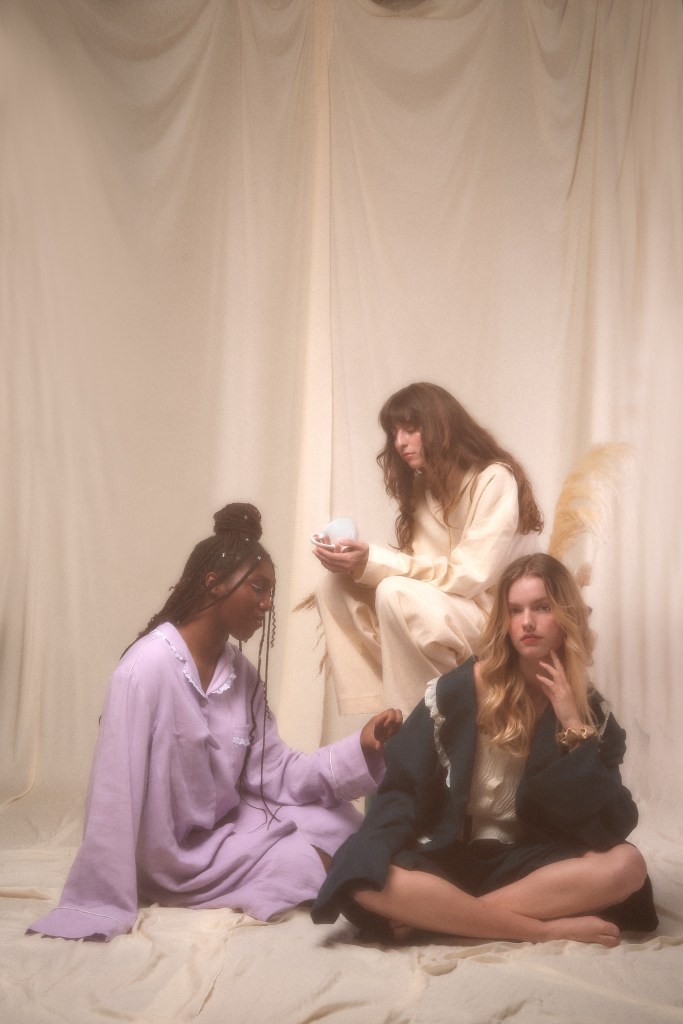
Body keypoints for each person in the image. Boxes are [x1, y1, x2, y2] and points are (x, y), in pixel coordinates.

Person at [28, 503, 402, 942]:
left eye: (271, 592)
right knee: (308, 859)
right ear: (212, 584)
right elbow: (114, 792)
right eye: (258, 588)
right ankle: (393, 910)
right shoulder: (144, 670)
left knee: (340, 823)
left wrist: (361, 748)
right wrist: (99, 902)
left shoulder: (242, 675)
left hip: (229, 825)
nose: (267, 604)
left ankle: (395, 893)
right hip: (172, 856)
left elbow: (276, 771)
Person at [311, 553, 657, 947]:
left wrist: (572, 726)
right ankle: (538, 929)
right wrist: (374, 850)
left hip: (532, 863)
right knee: (359, 871)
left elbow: (612, 823)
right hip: (449, 857)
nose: (527, 622)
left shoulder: (591, 712)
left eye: (542, 608)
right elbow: (401, 789)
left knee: (627, 866)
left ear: (567, 616)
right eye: (515, 610)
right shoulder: (456, 692)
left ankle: (444, 918)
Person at [313, 382, 544, 717]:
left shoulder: (494, 479)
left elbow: (469, 577)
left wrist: (374, 560)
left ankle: (417, 723)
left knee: (394, 592)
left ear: (441, 427)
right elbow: (421, 572)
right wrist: (353, 562)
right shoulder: (423, 488)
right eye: (394, 433)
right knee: (333, 587)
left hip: (492, 619)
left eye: (410, 429)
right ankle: (386, 711)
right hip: (447, 610)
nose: (399, 442)